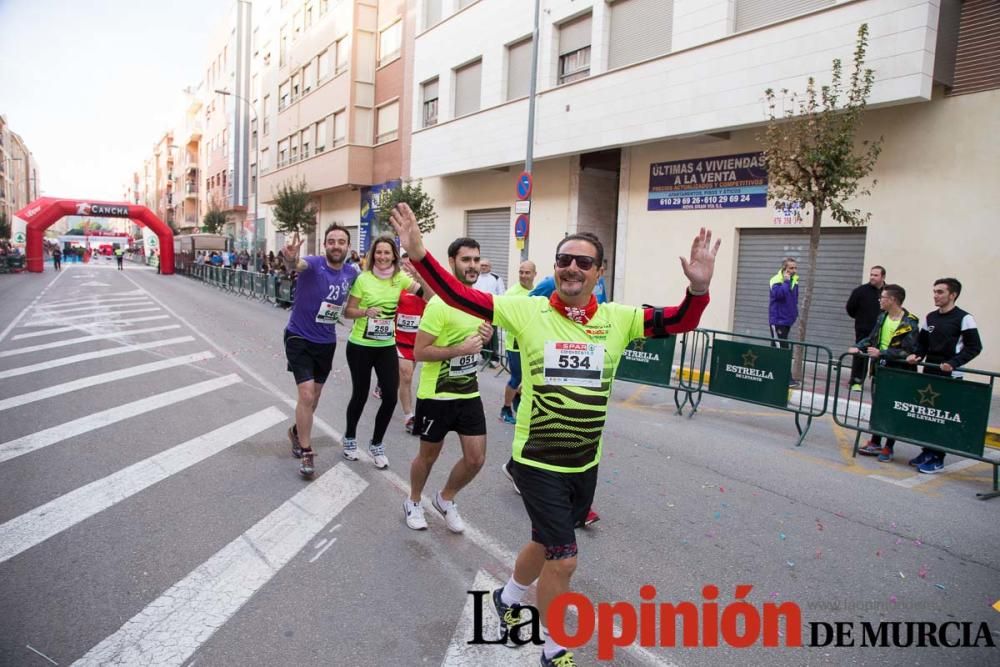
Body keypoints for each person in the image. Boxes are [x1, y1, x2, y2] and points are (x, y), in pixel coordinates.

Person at [389, 203, 718, 667]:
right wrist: (421, 255)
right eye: (564, 259)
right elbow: (463, 298)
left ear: (599, 272)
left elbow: (680, 321)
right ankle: (552, 646)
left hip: (583, 463)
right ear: (556, 268)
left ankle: (509, 597)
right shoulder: (528, 311)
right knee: (563, 561)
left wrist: (698, 290)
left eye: (584, 261)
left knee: (545, 543)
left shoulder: (620, 319)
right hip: (537, 460)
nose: (572, 268)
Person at [404, 237, 494, 533]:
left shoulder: (481, 303)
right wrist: (460, 350)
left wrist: (487, 337)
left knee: (476, 459)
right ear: (452, 262)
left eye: (476, 260)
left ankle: (445, 499)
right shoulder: (439, 305)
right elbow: (419, 352)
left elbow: (478, 343)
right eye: (466, 260)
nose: (472, 266)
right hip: (436, 395)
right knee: (428, 456)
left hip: (468, 392)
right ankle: (414, 501)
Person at [281, 224, 359, 478]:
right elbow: (296, 265)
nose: (336, 245)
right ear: (325, 245)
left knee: (313, 398)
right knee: (305, 394)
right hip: (299, 337)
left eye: (341, 241)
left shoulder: (351, 273)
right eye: (332, 241)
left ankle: (296, 431)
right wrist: (290, 257)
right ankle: (306, 451)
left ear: (348, 246)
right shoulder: (314, 264)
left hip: (326, 342)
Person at [342, 235, 423, 468]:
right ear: (372, 255)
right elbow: (348, 311)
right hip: (360, 346)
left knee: (389, 395)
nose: (383, 256)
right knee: (360, 393)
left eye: (387, 252)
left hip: (387, 345)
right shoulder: (363, 279)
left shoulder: (400, 279)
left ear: (394, 256)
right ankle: (349, 438)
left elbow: (426, 295)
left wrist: (421, 276)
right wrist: (365, 312)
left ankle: (376, 443)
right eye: (379, 252)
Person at [906, 278, 983, 473]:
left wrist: (953, 363)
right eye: (934, 292)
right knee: (927, 415)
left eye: (940, 292)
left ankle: (938, 457)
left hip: (950, 375)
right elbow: (921, 344)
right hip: (929, 371)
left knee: (942, 417)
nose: (935, 295)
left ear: (953, 295)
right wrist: (917, 355)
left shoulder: (964, 318)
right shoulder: (930, 317)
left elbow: (975, 347)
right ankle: (927, 451)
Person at [851, 284, 919, 462]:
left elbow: (908, 351)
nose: (879, 300)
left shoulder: (910, 322)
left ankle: (889, 447)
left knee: (893, 409)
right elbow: (872, 338)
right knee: (878, 406)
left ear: (893, 300)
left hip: (899, 373)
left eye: (883, 297)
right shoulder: (882, 317)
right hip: (879, 370)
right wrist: (858, 347)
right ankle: (875, 441)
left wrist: (882, 353)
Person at [396, 251, 431, 435]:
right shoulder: (398, 284)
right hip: (398, 340)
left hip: (417, 342)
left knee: (406, 378)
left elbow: (431, 300)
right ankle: (409, 416)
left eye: (411, 265)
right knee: (407, 375)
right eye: (404, 265)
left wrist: (420, 278)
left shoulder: (423, 286)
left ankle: (389, 382)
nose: (407, 268)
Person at [499, 260, 536, 424]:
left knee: (531, 377)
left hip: (532, 343)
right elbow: (503, 319)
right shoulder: (512, 293)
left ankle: (518, 397)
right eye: (521, 272)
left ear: (534, 274)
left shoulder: (537, 292)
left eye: (527, 272)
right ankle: (505, 408)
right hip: (515, 343)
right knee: (517, 377)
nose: (523, 275)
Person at [845, 266, 885, 390]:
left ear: (883, 277)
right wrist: (862, 319)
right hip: (864, 329)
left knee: (880, 355)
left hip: (882, 331)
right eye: (871, 274)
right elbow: (850, 309)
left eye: (876, 275)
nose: (872, 277)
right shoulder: (860, 291)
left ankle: (879, 382)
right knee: (860, 354)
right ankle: (856, 382)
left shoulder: (887, 292)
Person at [768, 257, 799, 387]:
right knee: (783, 350)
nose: (794, 270)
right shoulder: (776, 280)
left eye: (795, 268)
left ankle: (769, 373)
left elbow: (793, 299)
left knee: (776, 349)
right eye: (791, 268)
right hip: (778, 320)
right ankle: (787, 379)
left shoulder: (794, 280)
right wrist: (786, 282)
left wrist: (794, 315)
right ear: (784, 269)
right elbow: (778, 295)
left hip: (787, 321)